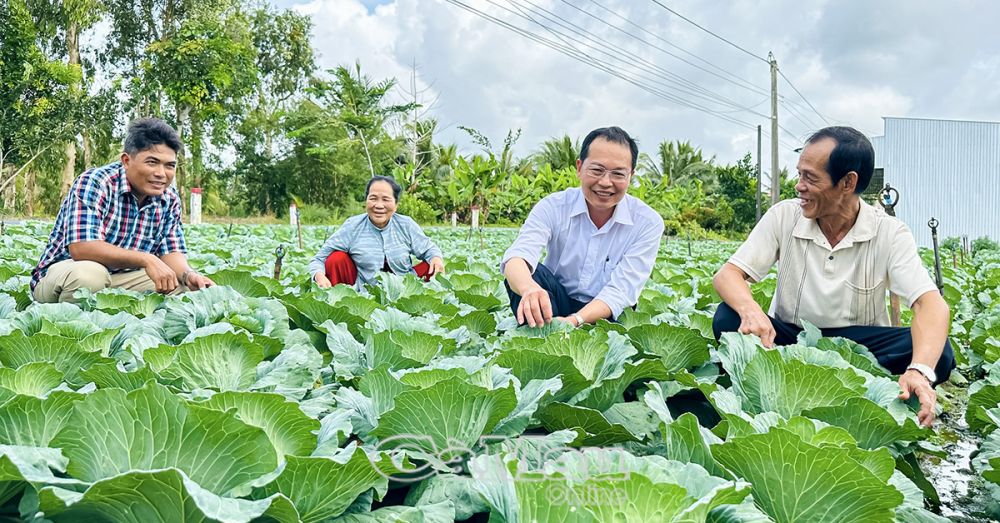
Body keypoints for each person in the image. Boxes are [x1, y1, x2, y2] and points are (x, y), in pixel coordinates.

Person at [711, 126, 954, 427]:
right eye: (799, 174)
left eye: (810, 178)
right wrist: (751, 311)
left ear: (847, 183)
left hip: (857, 350)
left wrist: (919, 369)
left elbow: (931, 304)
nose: (799, 186)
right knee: (727, 318)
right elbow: (728, 275)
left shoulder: (889, 232)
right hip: (792, 339)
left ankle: (899, 391)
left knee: (939, 353)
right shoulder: (784, 216)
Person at [31, 118, 214, 304]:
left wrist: (188, 275)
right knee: (89, 276)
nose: (161, 173)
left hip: (122, 279)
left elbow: (171, 251)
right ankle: (69, 328)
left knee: (186, 289)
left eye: (169, 165)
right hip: (65, 276)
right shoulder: (96, 182)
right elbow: (82, 248)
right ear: (126, 161)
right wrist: (146, 259)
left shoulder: (169, 198)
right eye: (152, 162)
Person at [501, 126, 665, 328]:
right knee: (529, 275)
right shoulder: (553, 206)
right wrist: (528, 288)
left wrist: (575, 320)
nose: (605, 182)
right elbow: (518, 256)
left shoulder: (647, 223)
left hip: (606, 316)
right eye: (597, 170)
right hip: (556, 302)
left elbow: (620, 291)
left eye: (618, 174)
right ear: (579, 167)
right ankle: (537, 342)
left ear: (631, 175)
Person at [309, 176, 444, 289]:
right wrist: (319, 275)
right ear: (366, 201)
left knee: (432, 266)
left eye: (385, 199)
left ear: (396, 205)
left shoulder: (406, 224)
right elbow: (319, 259)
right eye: (373, 198)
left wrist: (436, 258)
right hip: (365, 292)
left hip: (405, 289)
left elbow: (429, 249)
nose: (379, 205)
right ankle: (341, 305)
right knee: (336, 259)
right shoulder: (353, 226)